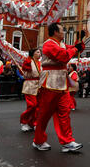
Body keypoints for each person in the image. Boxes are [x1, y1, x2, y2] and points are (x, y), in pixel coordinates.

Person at [32, 23, 85, 152]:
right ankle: (38, 140)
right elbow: (64, 56)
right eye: (62, 30)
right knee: (45, 114)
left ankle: (67, 141)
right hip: (50, 82)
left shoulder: (61, 44)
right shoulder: (48, 44)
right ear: (55, 32)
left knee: (64, 112)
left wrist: (80, 40)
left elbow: (73, 49)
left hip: (61, 83)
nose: (64, 32)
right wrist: (76, 48)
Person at [20, 48, 42, 132]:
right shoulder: (28, 61)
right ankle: (23, 122)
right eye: (37, 52)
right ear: (33, 54)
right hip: (30, 85)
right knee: (32, 105)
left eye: (40, 52)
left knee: (38, 107)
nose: (39, 54)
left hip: (39, 86)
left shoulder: (40, 63)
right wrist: (27, 66)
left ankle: (34, 123)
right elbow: (25, 73)